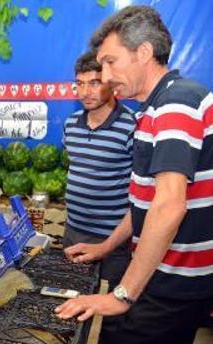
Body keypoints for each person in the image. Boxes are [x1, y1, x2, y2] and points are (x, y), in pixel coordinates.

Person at [56, 6, 213, 344]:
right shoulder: (159, 106)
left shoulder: (175, 104)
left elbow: (168, 204)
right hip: (177, 276)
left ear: (143, 52)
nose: (105, 77)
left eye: (110, 62)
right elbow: (145, 201)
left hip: (176, 279)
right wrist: (107, 244)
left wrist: (122, 294)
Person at [63, 50, 136, 289]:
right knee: (71, 299)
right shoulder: (70, 124)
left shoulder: (131, 126)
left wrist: (112, 242)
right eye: (80, 84)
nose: (85, 92)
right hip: (73, 232)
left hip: (112, 240)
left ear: (111, 83)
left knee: (108, 314)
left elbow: (144, 194)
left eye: (94, 83)